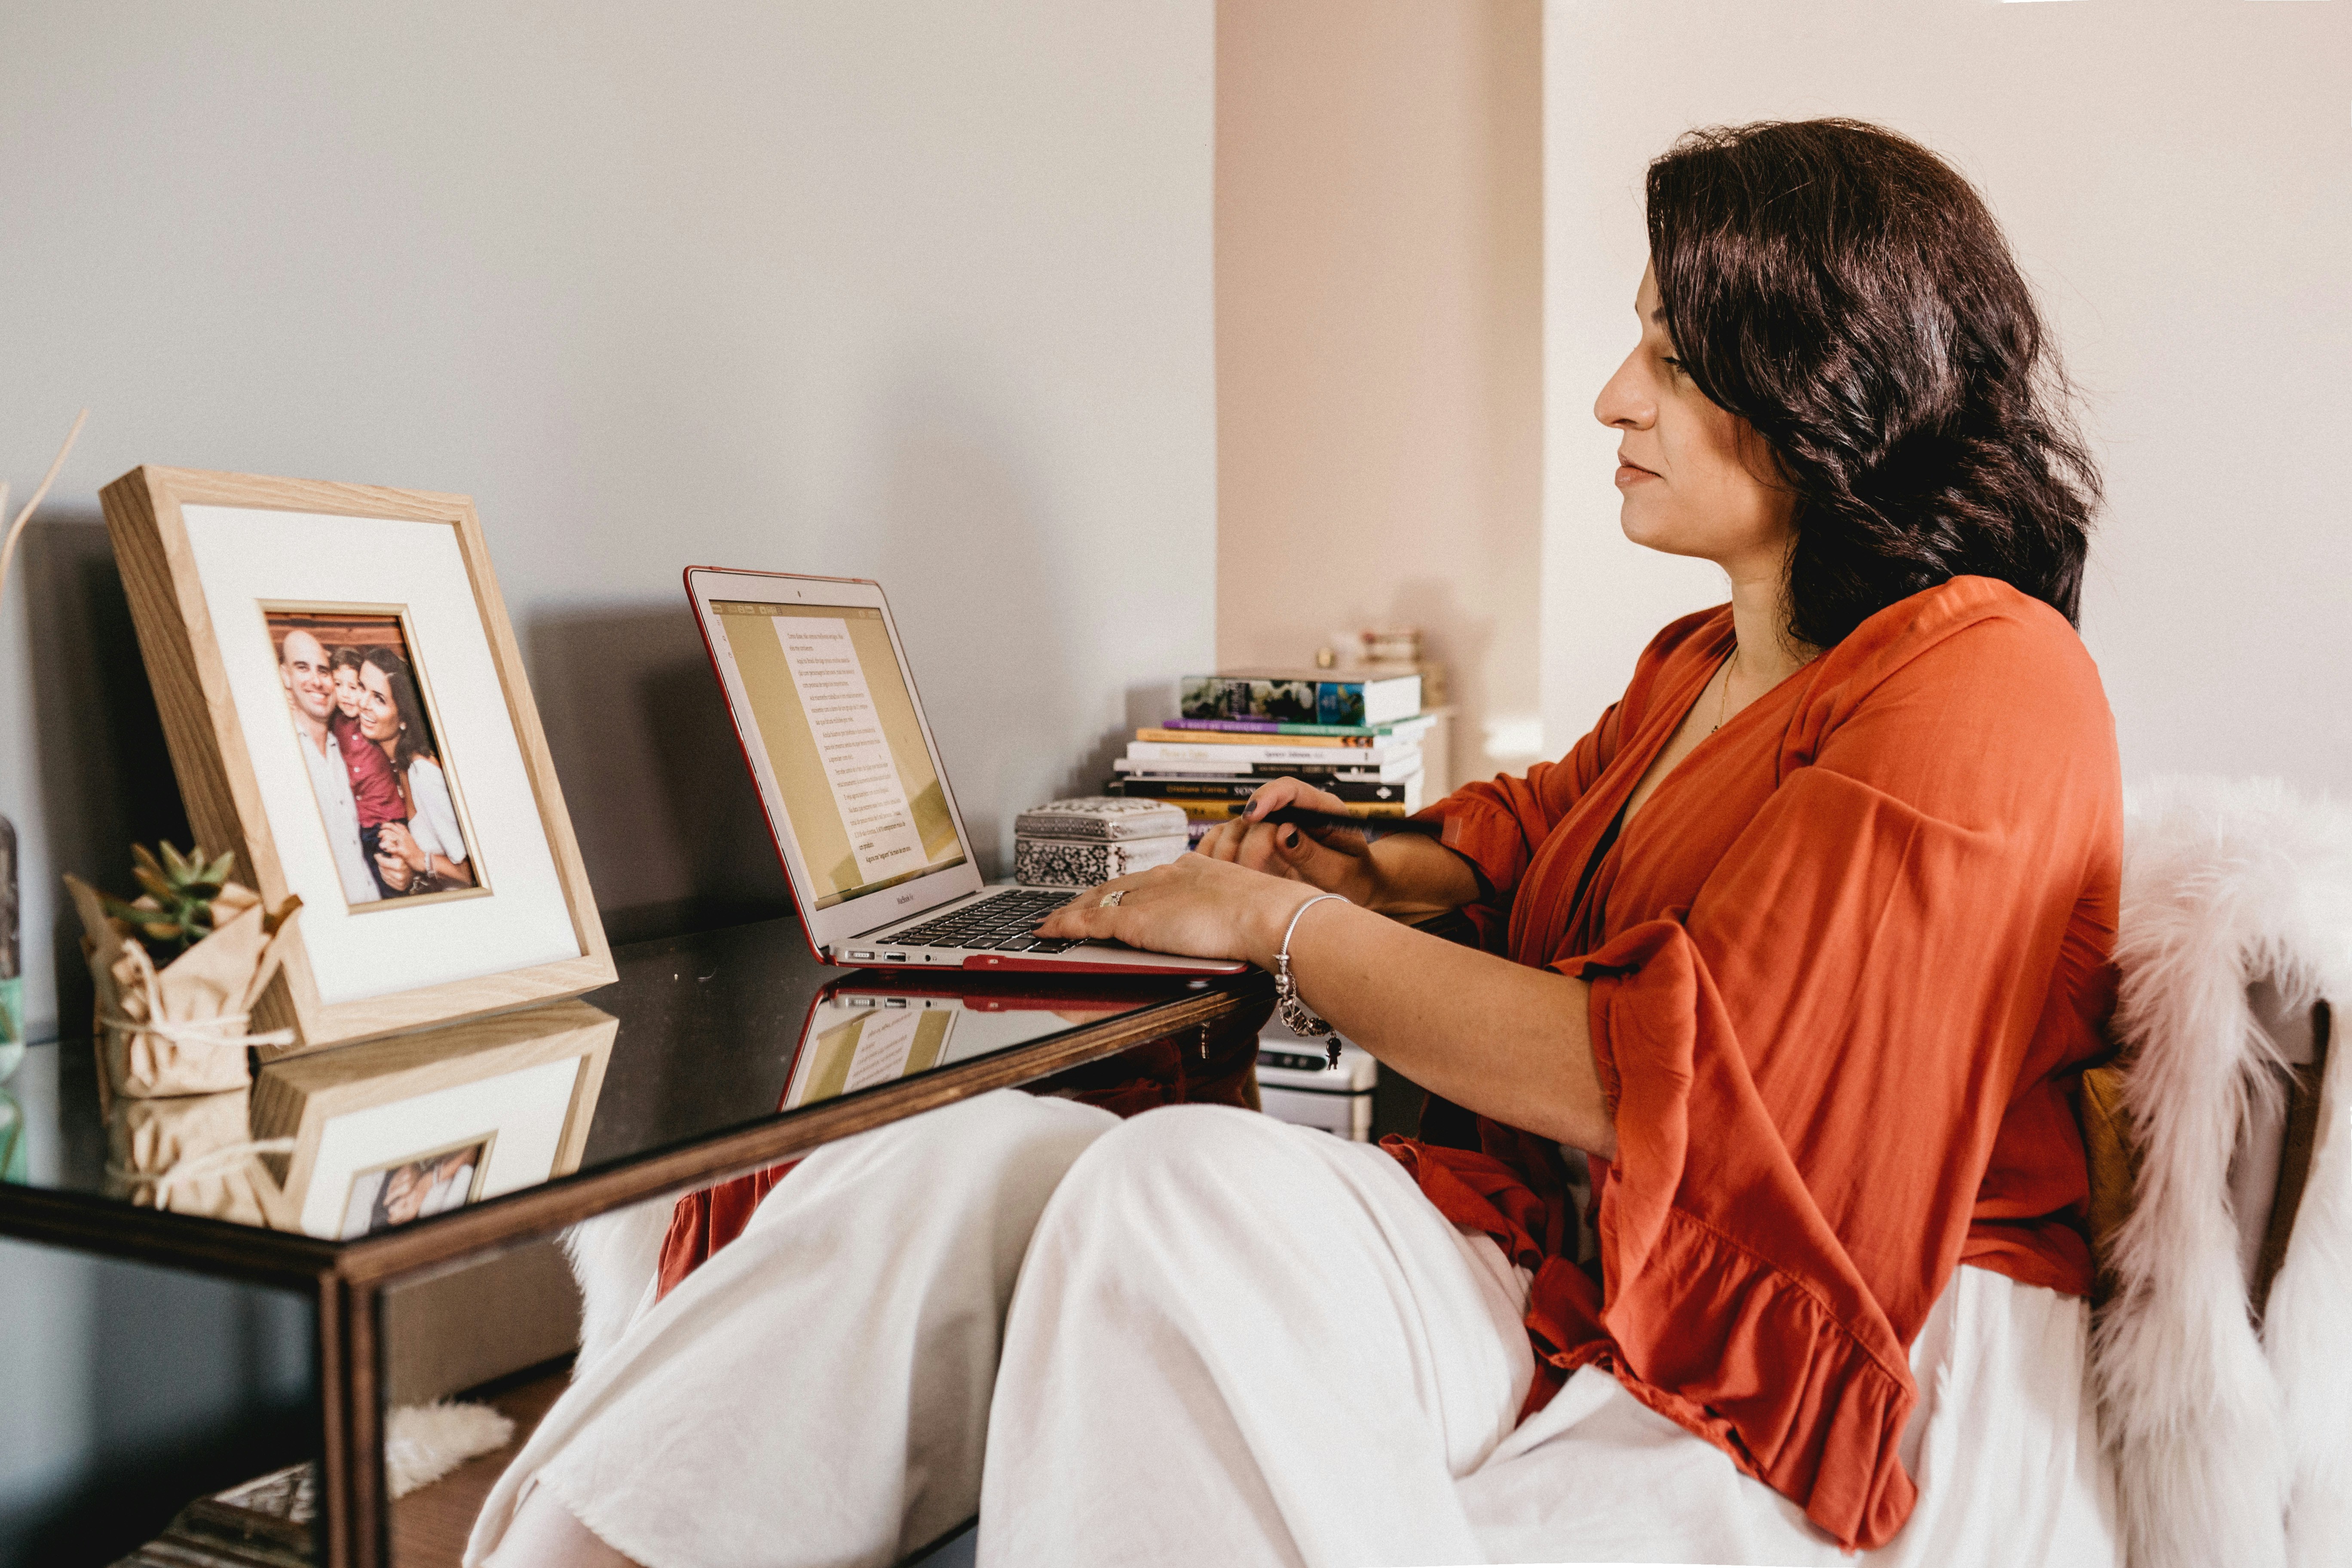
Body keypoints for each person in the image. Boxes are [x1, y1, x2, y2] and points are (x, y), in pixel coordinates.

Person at [472, 119, 2120, 1568]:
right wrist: (1347, 864)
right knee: (953, 1168)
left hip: (1835, 1361)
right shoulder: (1700, 661)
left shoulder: (1984, 673)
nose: (1615, 396)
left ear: (1819, 383)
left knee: (1177, 1194)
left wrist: (1263, 927)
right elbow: (1526, 834)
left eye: (1673, 361)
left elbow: (1669, 1083)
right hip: (1578, 1274)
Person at [355, 646, 477, 895]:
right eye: (362, 687)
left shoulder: (425, 775)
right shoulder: (397, 764)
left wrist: (417, 859)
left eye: (379, 698)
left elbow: (474, 875)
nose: (363, 703)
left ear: (404, 718)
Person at [276, 629, 383, 907]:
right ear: (285, 676)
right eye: (302, 668)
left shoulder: (342, 750)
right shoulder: (281, 755)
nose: (317, 681)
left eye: (324, 672)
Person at [325, 644, 408, 897]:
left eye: (354, 687)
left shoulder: (372, 721)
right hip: (362, 823)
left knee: (392, 882)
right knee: (371, 883)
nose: (346, 695)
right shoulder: (335, 724)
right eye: (338, 685)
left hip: (389, 819)